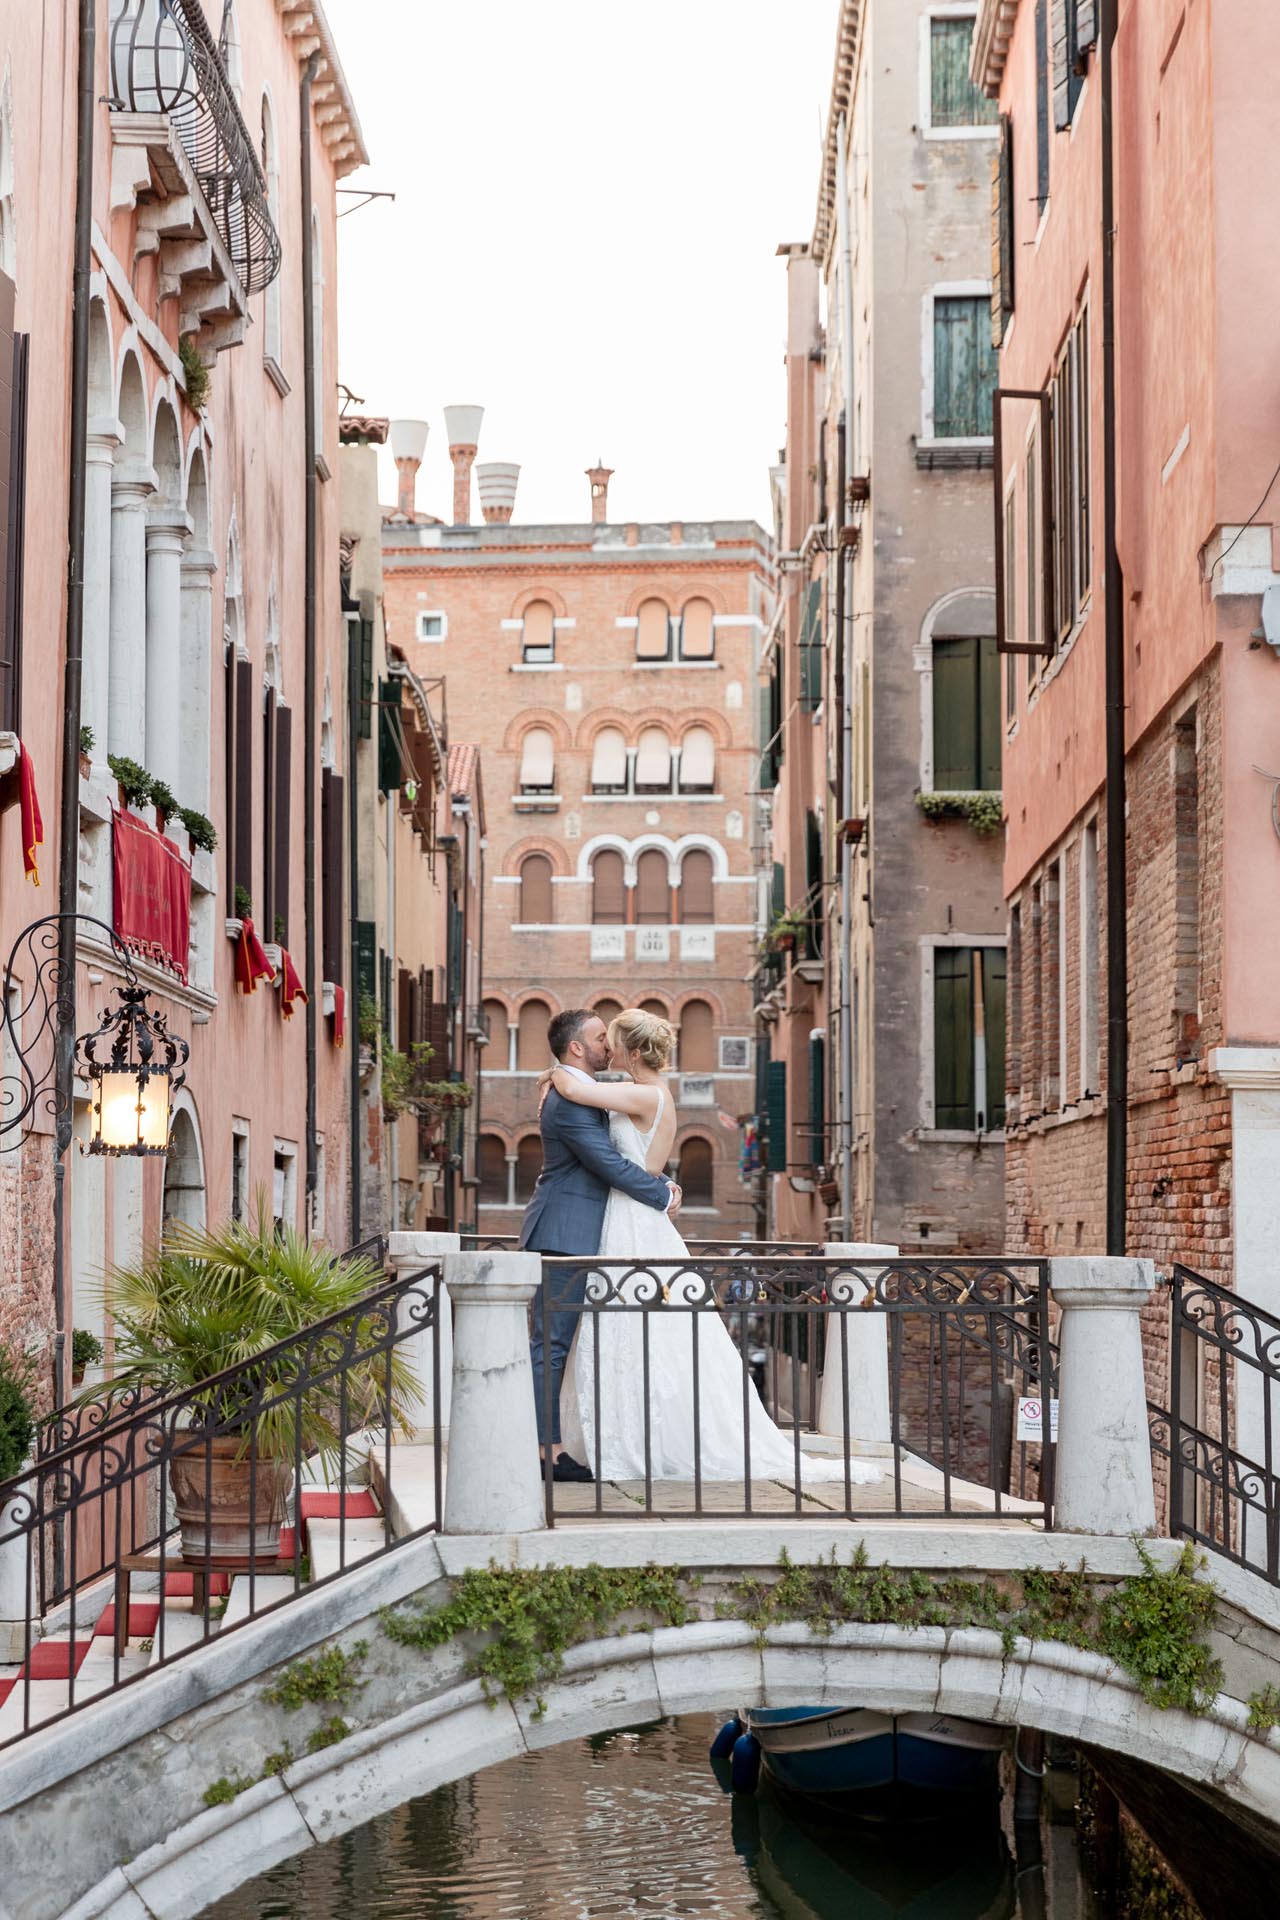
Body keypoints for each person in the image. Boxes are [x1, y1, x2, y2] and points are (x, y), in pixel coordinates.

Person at [546, 1007, 880, 1487]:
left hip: (632, 1218)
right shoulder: (650, 1092)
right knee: (636, 1331)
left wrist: (556, 1069)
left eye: (614, 1042)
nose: (609, 1050)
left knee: (632, 1328)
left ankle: (639, 1440)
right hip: (636, 1215)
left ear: (634, 1052)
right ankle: (631, 1432)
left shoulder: (643, 1093)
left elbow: (577, 1090)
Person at [519, 1007, 682, 1483]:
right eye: (598, 1038)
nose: (607, 1046)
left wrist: (662, 1183)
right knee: (551, 1345)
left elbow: (623, 1154)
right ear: (576, 1048)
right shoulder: (569, 1098)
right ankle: (546, 1452)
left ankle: (577, 1441)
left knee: (577, 1345)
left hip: (591, 1230)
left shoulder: (583, 1090)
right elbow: (606, 1163)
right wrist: (661, 1195)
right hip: (564, 1232)